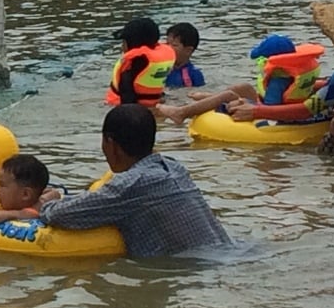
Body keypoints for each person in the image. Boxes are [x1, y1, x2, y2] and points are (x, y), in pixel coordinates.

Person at [38, 105, 232, 257]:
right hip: (228, 252)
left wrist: (48, 201)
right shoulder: (173, 167)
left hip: (203, 268)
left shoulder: (129, 186)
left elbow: (59, 216)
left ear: (110, 144)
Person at [157, 34, 324, 124]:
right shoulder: (293, 75)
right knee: (242, 87)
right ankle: (208, 98)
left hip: (273, 117)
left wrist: (247, 104)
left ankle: (181, 113)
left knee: (229, 96)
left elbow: (270, 109)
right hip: (278, 106)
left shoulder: (277, 82)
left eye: (262, 61)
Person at [106, 16, 175, 107]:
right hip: (154, 105)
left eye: (123, 42)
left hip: (124, 108)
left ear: (130, 44)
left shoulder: (132, 64)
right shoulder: (159, 58)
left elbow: (127, 99)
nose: (122, 46)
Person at [163, 22, 205, 88]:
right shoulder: (161, 68)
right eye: (167, 43)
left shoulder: (194, 74)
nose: (168, 48)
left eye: (174, 45)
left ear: (188, 50)